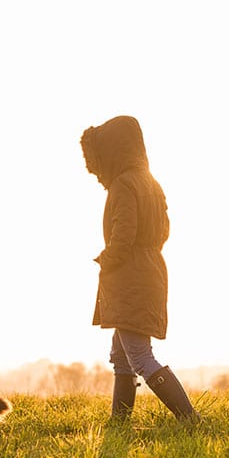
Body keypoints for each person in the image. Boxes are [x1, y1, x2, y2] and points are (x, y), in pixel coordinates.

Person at [80, 115, 200, 423]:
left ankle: (190, 419)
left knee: (140, 356)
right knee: (121, 356)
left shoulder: (123, 184)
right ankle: (119, 424)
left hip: (129, 277)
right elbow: (165, 230)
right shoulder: (151, 182)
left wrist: (107, 258)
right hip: (150, 271)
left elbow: (124, 233)